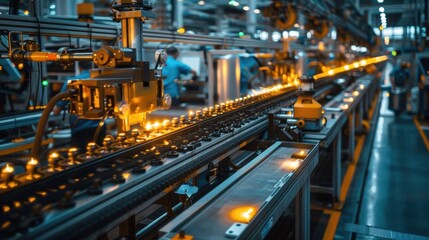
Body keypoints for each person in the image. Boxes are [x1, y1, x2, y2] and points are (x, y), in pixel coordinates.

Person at [53, 62, 106, 150]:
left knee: (80, 158)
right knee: (99, 155)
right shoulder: (99, 79)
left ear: (78, 66)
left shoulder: (71, 82)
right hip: (100, 127)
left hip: (81, 129)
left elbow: (56, 111)